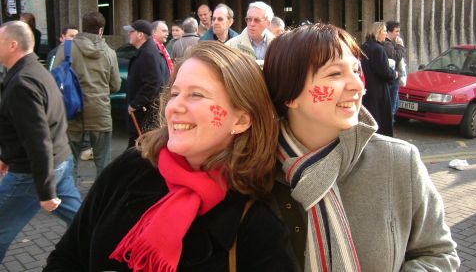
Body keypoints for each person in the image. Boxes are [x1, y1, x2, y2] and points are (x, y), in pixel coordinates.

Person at [44, 42, 295, 272]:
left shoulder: (257, 223)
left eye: (196, 95)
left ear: (240, 120)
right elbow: (67, 257)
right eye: (175, 94)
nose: (174, 106)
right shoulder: (130, 169)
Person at [263, 23, 460, 272]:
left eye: (356, 71)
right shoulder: (257, 170)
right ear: (289, 94)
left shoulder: (398, 160)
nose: (356, 85)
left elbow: (438, 253)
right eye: (335, 74)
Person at [0, 21, 81, 262]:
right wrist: (6, 156)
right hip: (60, 161)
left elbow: (38, 139)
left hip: (33, 173)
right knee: (81, 219)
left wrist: (45, 191)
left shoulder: (23, 81)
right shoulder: (34, 70)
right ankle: (111, 247)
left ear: (13, 45)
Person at [53, 12, 121, 178]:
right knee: (103, 162)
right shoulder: (109, 52)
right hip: (100, 111)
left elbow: (54, 79)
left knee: (70, 161)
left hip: (72, 110)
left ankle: (71, 199)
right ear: (101, 30)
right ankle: (101, 201)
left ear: (83, 27)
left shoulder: (66, 48)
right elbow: (116, 85)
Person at [124, 20, 164, 148]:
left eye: (131, 32)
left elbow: (153, 83)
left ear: (140, 35)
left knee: (140, 148)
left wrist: (136, 103)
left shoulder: (147, 53)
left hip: (144, 113)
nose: (129, 34)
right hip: (142, 111)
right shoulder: (145, 50)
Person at [361, 21, 397, 137]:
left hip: (367, 89)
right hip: (378, 91)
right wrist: (394, 74)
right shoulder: (378, 49)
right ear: (378, 32)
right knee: (380, 120)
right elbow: (384, 71)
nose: (386, 34)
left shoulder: (364, 46)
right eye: (384, 31)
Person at [383, 20, 406, 121]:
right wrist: (400, 45)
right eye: (396, 31)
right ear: (389, 32)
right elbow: (396, 56)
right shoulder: (387, 44)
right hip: (392, 78)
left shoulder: (390, 43)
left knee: (395, 106)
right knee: (392, 108)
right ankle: (389, 129)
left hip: (395, 77)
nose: (398, 34)